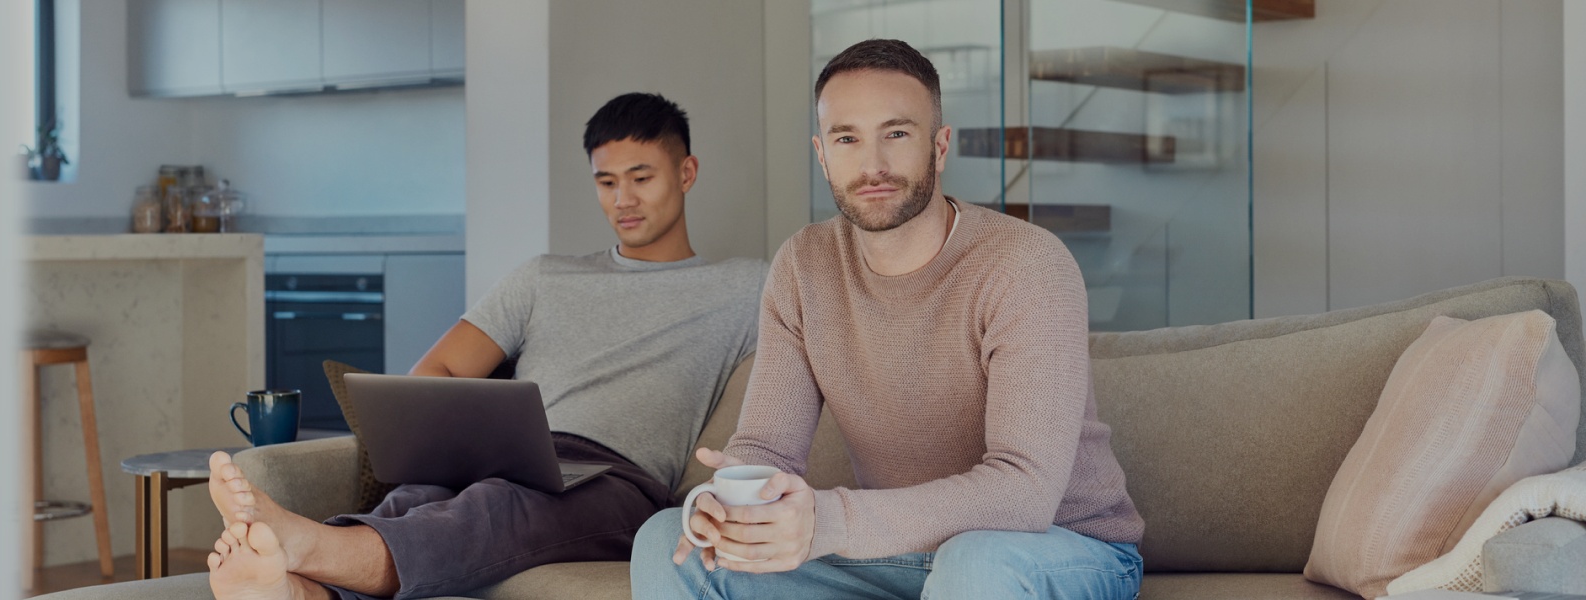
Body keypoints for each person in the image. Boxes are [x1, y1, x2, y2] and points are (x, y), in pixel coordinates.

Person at [630, 39, 1146, 599]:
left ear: (940, 146)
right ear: (822, 153)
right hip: (898, 554)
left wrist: (832, 521)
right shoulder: (804, 265)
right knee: (665, 539)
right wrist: (728, 503)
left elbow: (1025, 491)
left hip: (1054, 547)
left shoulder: (1025, 264)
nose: (871, 165)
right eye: (846, 138)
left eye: (896, 134)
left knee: (974, 563)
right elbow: (768, 451)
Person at [204, 92, 770, 600]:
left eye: (641, 177)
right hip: (514, 455)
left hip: (618, 481)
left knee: (494, 508)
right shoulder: (544, 278)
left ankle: (306, 547)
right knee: (417, 498)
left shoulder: (746, 286)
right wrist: (451, 449)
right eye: (606, 181)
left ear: (687, 172)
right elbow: (440, 368)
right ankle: (298, 595)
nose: (623, 199)